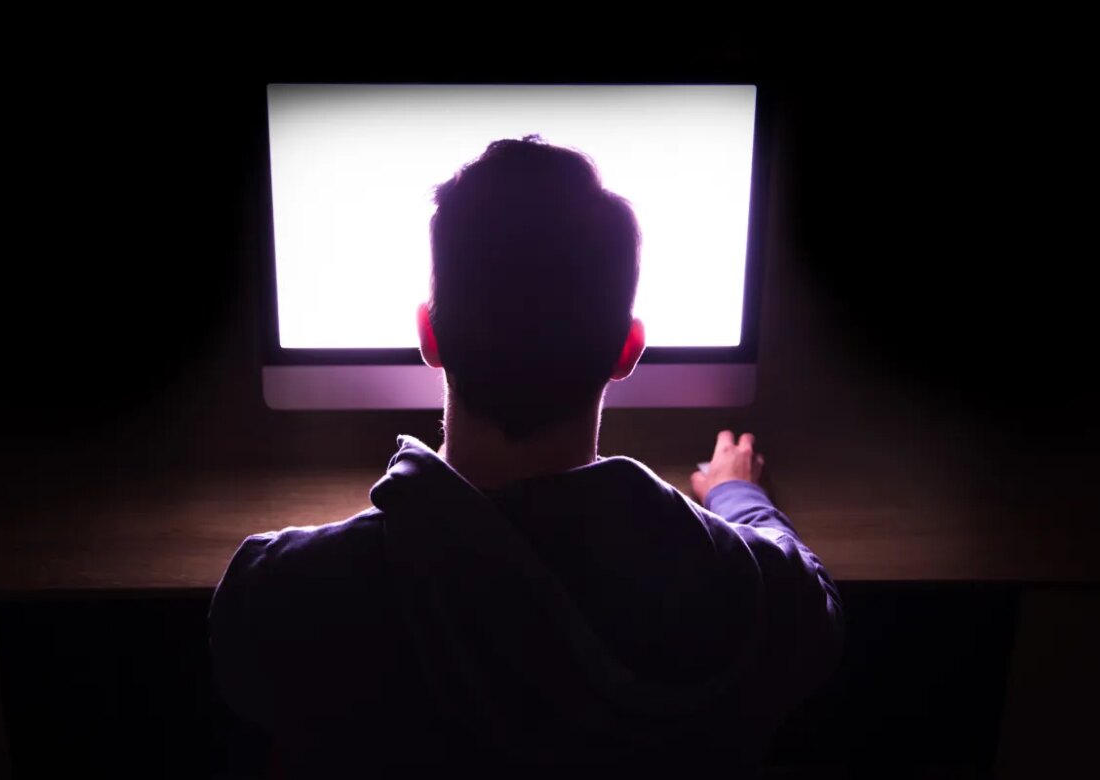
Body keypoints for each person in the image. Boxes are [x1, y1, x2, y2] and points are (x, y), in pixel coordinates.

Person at [210, 137, 842, 777]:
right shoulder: (743, 593)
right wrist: (739, 496)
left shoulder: (279, 592)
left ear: (428, 335)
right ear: (629, 350)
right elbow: (818, 610)